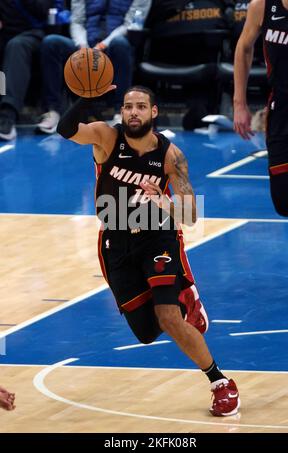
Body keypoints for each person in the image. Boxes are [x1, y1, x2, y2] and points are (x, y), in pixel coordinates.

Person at [57, 84, 240, 416]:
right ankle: (182, 296)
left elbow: (191, 214)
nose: (133, 112)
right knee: (144, 333)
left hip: (158, 238)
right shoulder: (106, 137)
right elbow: (66, 129)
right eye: (128, 106)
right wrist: (86, 97)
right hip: (116, 242)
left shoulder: (171, 156)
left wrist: (163, 200)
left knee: (168, 317)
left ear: (154, 112)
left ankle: (220, 381)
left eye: (141, 106)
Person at [36, 0, 150, 134]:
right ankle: (53, 111)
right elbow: (77, 21)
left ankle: (120, 113)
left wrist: (102, 45)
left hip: (114, 44)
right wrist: (83, 46)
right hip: (85, 43)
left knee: (120, 44)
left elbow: (132, 23)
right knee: (51, 43)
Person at [233, 0, 288, 217]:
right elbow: (244, 48)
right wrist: (239, 104)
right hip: (282, 112)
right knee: (285, 203)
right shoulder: (261, 6)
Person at [0, 0, 54, 141]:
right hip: (6, 34)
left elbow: (42, 11)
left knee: (16, 46)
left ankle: (7, 117)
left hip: (36, 33)